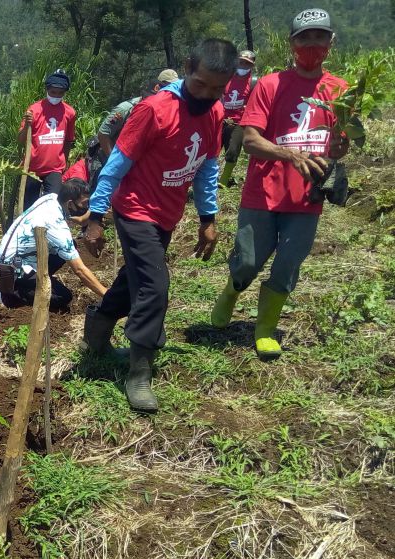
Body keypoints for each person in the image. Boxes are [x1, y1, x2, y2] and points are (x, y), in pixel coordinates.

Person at [80, 39, 237, 413]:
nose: (207, 95)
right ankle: (140, 371)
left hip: (167, 214)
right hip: (135, 211)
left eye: (218, 88)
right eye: (200, 84)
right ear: (187, 67)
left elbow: (207, 166)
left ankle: (97, 333)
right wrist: (97, 217)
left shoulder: (214, 112)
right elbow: (115, 164)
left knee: (133, 279)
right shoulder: (154, 110)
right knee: (154, 284)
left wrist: (208, 218)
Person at [211, 9, 349, 360]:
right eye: (305, 37)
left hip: (306, 199)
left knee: (288, 263)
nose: (312, 44)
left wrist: (340, 147)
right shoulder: (270, 85)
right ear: (292, 43)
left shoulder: (339, 89)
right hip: (262, 193)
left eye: (320, 36)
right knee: (247, 262)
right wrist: (289, 155)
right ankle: (231, 291)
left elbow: (340, 143)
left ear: (330, 43)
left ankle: (264, 329)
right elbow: (251, 141)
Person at [0, 178, 107, 311]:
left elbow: (78, 219)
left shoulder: (51, 198)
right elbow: (79, 270)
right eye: (84, 203)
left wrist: (88, 220)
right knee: (63, 297)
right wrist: (106, 294)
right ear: (70, 204)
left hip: (11, 260)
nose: (86, 207)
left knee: (71, 245)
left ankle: (36, 280)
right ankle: (15, 294)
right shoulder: (56, 225)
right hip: (12, 272)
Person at [19, 69, 77, 210]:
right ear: (47, 90)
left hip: (54, 168)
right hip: (32, 168)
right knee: (29, 206)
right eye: (53, 92)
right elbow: (21, 139)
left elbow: (68, 141)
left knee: (52, 205)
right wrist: (27, 125)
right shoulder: (34, 110)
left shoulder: (69, 112)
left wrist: (64, 163)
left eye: (60, 93)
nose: (56, 96)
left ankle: (46, 231)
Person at [96, 69, 180, 160]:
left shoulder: (166, 113)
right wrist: (112, 162)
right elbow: (103, 134)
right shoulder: (125, 109)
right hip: (112, 158)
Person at [218, 50, 258, 187]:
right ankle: (208, 179)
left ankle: (223, 181)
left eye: (247, 63)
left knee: (232, 151)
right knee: (213, 150)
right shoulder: (227, 78)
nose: (243, 65)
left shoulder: (253, 83)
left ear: (252, 66)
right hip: (222, 120)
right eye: (241, 62)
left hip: (240, 122)